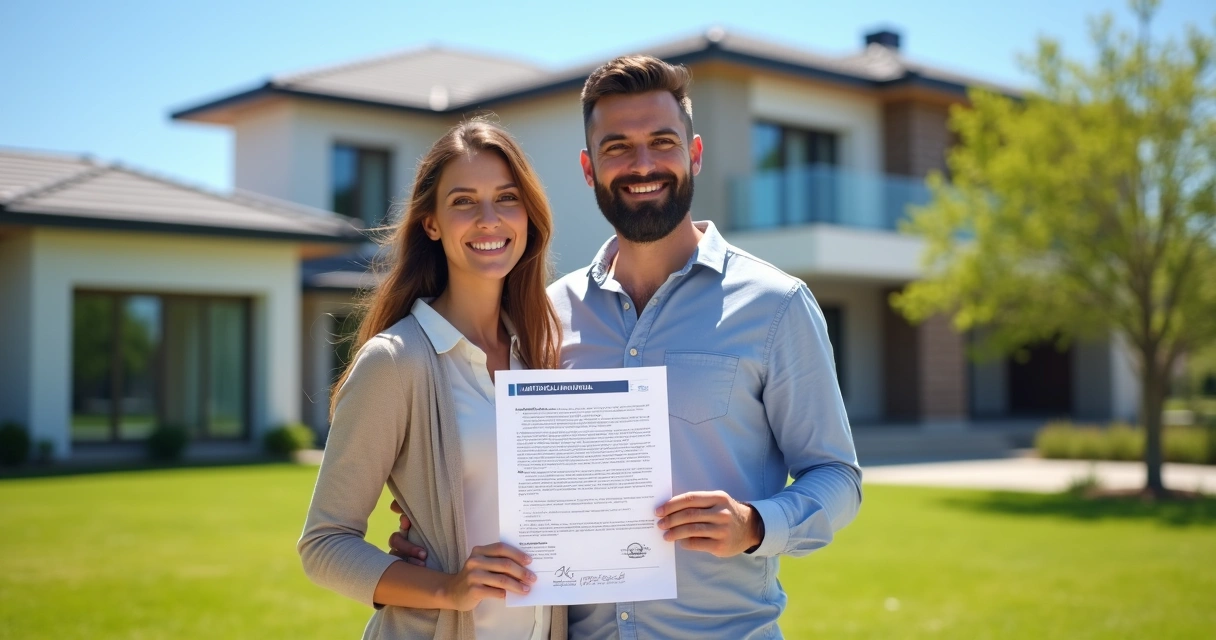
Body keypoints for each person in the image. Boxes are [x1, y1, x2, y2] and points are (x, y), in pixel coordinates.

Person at [392, 55, 862, 638]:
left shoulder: (777, 306)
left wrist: (756, 525)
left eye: (661, 142)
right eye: (617, 147)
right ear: (590, 169)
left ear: (693, 154)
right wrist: (438, 525)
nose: (642, 165)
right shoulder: (544, 317)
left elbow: (837, 475)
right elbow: (503, 462)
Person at [299, 119, 568, 640]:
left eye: (506, 198)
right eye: (464, 201)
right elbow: (324, 544)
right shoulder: (395, 362)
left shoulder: (543, 358)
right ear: (432, 224)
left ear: (529, 216)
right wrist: (449, 588)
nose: (489, 220)